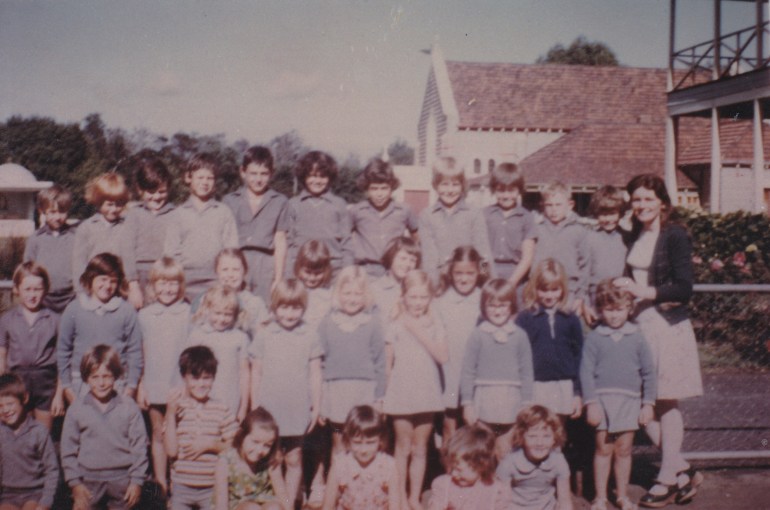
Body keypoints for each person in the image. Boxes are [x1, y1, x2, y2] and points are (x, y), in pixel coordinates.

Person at [615, 174, 703, 508]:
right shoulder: (635, 233)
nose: (642, 206)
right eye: (636, 200)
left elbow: (684, 287)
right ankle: (683, 471)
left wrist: (642, 291)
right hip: (640, 326)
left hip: (667, 325)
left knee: (665, 401)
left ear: (663, 202)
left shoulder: (675, 234)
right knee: (645, 402)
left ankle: (666, 478)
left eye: (648, 199)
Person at [580, 280, 656, 510]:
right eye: (609, 310)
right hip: (602, 402)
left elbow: (649, 373)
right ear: (600, 310)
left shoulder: (638, 337)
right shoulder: (594, 338)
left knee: (623, 451)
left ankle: (622, 496)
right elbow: (585, 372)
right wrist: (591, 403)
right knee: (603, 450)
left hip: (629, 402)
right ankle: (600, 497)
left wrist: (648, 404)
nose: (614, 316)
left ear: (629, 308)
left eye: (619, 309)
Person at [249, 279, 323, 508]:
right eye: (284, 307)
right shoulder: (264, 333)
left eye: (295, 308)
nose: (290, 314)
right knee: (272, 458)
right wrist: (254, 406)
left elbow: (315, 373)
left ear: (303, 307)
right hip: (269, 407)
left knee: (293, 457)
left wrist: (316, 406)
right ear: (274, 306)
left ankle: (289, 504)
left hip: (296, 407)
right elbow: (256, 372)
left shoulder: (310, 334)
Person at [382, 269, 448, 510]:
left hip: (426, 392)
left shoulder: (435, 323)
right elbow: (387, 365)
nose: (418, 302)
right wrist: (385, 396)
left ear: (430, 298)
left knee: (420, 448)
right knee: (402, 447)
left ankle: (414, 496)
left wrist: (417, 329)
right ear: (403, 296)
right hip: (401, 392)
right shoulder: (394, 323)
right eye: (413, 297)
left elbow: (443, 356)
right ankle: (399, 496)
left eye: (423, 297)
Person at [61, 345, 148, 510]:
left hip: (122, 481)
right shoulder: (76, 409)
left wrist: (137, 481)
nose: (101, 383)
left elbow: (139, 446)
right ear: (86, 378)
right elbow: (68, 450)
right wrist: (75, 484)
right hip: (88, 482)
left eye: (106, 376)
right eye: (95, 377)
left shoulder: (128, 406)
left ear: (115, 376)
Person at [460, 279, 534, 460]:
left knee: (504, 451)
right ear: (484, 307)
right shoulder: (478, 335)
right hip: (484, 399)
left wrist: (526, 403)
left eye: (502, 305)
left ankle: (503, 478)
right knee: (482, 451)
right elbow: (468, 370)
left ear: (511, 306)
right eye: (492, 306)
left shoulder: (519, 335)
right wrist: (467, 403)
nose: (497, 311)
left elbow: (526, 372)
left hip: (510, 400)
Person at [137, 256, 191, 495]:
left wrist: (188, 385)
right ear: (153, 285)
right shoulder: (145, 315)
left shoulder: (188, 313)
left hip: (179, 385)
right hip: (154, 383)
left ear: (181, 285)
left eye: (173, 283)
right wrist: (141, 384)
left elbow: (191, 351)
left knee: (179, 434)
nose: (168, 289)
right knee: (158, 433)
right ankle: (161, 485)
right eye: (162, 283)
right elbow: (141, 353)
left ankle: (180, 485)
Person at [58, 253, 143, 404]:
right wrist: (67, 387)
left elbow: (135, 352)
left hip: (117, 383)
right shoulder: (74, 309)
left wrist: (131, 387)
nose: (108, 286)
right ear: (90, 278)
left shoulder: (126, 311)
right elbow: (63, 351)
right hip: (81, 383)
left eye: (113, 281)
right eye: (103, 279)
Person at [318, 266, 386, 452]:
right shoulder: (328, 323)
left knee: (363, 440)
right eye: (347, 293)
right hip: (336, 391)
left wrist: (379, 398)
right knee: (338, 441)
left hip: (364, 391)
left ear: (366, 296)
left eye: (357, 294)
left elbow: (380, 363)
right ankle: (338, 472)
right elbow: (320, 363)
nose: (352, 299)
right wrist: (321, 401)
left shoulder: (373, 323)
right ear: (338, 293)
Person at [165, 345, 238, 510]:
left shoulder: (221, 409)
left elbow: (235, 447)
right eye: (195, 378)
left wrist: (211, 444)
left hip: (212, 487)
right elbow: (171, 451)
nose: (201, 384)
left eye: (207, 378)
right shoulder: (176, 408)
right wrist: (170, 414)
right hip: (181, 486)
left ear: (214, 378)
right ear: (184, 377)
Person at [164, 153, 239, 301]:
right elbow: (170, 252)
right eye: (200, 177)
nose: (205, 182)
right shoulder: (178, 214)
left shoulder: (223, 212)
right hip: (184, 282)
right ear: (188, 178)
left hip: (216, 281)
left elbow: (231, 249)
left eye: (209, 178)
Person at [516, 259, 583, 420]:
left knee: (559, 430)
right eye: (544, 290)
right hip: (536, 386)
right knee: (536, 427)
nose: (549, 296)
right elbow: (518, 357)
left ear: (563, 289)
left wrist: (577, 393)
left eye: (554, 290)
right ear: (535, 288)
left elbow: (578, 357)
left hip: (564, 385)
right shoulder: (525, 318)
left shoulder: (570, 319)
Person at [0, 262, 63, 430]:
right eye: (27, 289)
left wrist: (59, 394)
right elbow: (2, 357)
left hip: (46, 384)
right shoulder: (7, 319)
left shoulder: (55, 320)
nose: (32, 295)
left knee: (43, 434)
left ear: (46, 289)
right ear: (17, 289)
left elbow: (63, 361)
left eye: (37, 289)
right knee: (19, 432)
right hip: (17, 383)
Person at [223, 146, 289, 301]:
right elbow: (224, 240)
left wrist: (278, 278)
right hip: (236, 262)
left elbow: (280, 240)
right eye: (253, 173)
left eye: (264, 174)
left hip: (266, 264)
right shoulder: (230, 201)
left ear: (271, 173)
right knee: (234, 305)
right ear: (243, 172)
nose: (258, 179)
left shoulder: (280, 201)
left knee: (264, 307)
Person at [435, 246, 488, 440]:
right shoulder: (441, 302)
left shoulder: (485, 299)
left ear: (478, 272)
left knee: (476, 428)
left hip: (476, 374)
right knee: (449, 428)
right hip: (449, 374)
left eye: (469, 273)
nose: (464, 279)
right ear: (451, 272)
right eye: (458, 273)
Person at [72, 172, 141, 308]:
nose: (114, 209)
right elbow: (78, 263)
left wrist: (133, 286)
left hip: (119, 289)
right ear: (98, 202)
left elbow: (130, 258)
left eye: (119, 204)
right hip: (94, 290)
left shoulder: (127, 226)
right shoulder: (86, 228)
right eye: (109, 204)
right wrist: (81, 293)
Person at [419, 156, 492, 283]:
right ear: (435, 185)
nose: (450, 190)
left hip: (469, 281)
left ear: (462, 186)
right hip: (439, 281)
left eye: (455, 184)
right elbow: (429, 258)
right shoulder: (427, 215)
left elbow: (483, 252)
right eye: (444, 184)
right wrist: (434, 286)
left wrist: (486, 281)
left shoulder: (474, 213)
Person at [284, 150, 353, 277]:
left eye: (322, 176)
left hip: (333, 269)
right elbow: (288, 242)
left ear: (330, 178)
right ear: (304, 176)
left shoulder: (339, 204)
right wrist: (289, 274)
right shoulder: (293, 204)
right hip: (301, 270)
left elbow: (347, 242)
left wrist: (347, 271)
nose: (317, 181)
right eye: (312, 176)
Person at [188, 285, 251, 422]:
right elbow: (188, 371)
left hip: (230, 399)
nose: (221, 319)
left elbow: (244, 373)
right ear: (207, 310)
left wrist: (243, 407)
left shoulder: (240, 338)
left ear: (235, 315)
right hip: (202, 399)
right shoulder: (197, 335)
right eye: (217, 313)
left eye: (227, 314)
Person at [349, 157, 418, 277]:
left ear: (392, 187)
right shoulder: (356, 211)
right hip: (366, 271)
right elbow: (344, 240)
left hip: (394, 271)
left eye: (384, 188)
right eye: (374, 189)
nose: (379, 194)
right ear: (366, 189)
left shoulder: (404, 210)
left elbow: (416, 237)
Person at [0, 373, 59, 510]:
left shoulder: (38, 432)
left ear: (24, 398)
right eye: (0, 406)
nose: (5, 410)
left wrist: (45, 502)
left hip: (35, 493)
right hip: (8, 494)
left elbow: (52, 470)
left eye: (10, 404)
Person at [322, 405, 398, 510]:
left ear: (380, 440)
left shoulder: (388, 465)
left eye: (370, 442)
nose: (363, 450)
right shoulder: (340, 464)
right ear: (348, 439)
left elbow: (395, 506)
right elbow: (327, 506)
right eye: (357, 442)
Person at [497, 405, 573, 510]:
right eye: (532, 436)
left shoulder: (558, 461)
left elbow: (564, 500)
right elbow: (502, 502)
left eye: (546, 436)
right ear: (522, 436)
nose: (539, 443)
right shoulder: (510, 462)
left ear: (554, 438)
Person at [122, 151, 176, 298]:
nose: (157, 197)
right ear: (140, 190)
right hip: (139, 276)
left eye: (161, 192)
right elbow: (127, 250)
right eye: (151, 192)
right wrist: (133, 284)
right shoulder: (134, 214)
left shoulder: (175, 214)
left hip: (166, 275)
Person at [214, 407, 288, 510]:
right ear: (242, 436)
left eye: (267, 445)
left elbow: (282, 495)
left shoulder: (270, 459)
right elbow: (221, 502)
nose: (259, 450)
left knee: (275, 507)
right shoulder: (226, 461)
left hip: (265, 502)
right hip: (239, 506)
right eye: (255, 442)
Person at [531, 181, 589, 313]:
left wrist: (580, 295)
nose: (554, 209)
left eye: (558, 204)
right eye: (549, 205)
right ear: (543, 205)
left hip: (569, 291)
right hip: (540, 291)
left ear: (570, 205)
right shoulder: (536, 228)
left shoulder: (579, 230)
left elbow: (585, 265)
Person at [427, 424, 513, 510]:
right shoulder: (445, 486)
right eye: (452, 468)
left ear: (481, 465)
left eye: (459, 469)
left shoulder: (496, 491)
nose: (453, 474)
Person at [23, 183, 77, 312]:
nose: (57, 217)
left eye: (62, 212)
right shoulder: (36, 238)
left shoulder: (76, 237)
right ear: (43, 211)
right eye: (52, 212)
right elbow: (27, 269)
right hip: (43, 299)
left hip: (70, 298)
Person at [483, 162, 536, 288]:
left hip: (516, 275)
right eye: (501, 190)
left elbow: (527, 258)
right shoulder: (485, 214)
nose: (506, 196)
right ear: (494, 190)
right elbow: (481, 251)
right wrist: (491, 278)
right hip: (489, 272)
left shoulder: (526, 217)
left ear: (519, 190)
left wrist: (510, 284)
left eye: (511, 190)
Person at [583, 185, 629, 326]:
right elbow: (584, 275)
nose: (608, 219)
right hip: (596, 301)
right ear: (596, 214)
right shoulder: (589, 238)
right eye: (603, 214)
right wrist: (585, 304)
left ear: (620, 213)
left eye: (612, 213)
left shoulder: (627, 238)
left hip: (621, 300)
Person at [370, 236, 421, 321]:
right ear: (391, 257)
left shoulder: (417, 288)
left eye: (412, 260)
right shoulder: (375, 288)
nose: (407, 264)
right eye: (403, 258)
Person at [293, 240, 333, 328]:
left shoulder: (330, 293)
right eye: (307, 272)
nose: (312, 278)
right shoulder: (293, 290)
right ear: (298, 268)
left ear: (326, 270)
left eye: (318, 273)